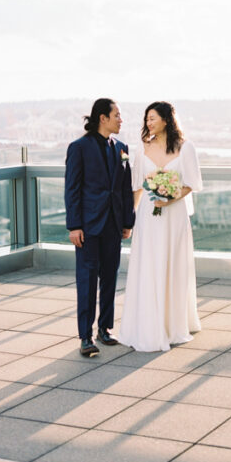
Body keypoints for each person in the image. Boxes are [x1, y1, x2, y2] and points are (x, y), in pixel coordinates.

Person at [118, 101, 203, 352]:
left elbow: (192, 183)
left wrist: (170, 198)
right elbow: (136, 186)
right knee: (149, 263)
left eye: (153, 118)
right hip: (148, 216)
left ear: (167, 119)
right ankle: (147, 322)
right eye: (147, 119)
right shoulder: (142, 148)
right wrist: (130, 218)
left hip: (174, 214)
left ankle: (173, 323)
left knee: (173, 264)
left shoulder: (186, 148)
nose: (148, 123)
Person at [64, 98, 135, 357]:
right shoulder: (79, 147)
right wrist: (74, 226)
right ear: (102, 118)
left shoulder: (122, 148)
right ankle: (85, 336)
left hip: (114, 225)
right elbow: (72, 189)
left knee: (110, 278)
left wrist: (128, 221)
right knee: (87, 280)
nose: (121, 119)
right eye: (117, 115)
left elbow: (125, 188)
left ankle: (105, 328)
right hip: (88, 226)